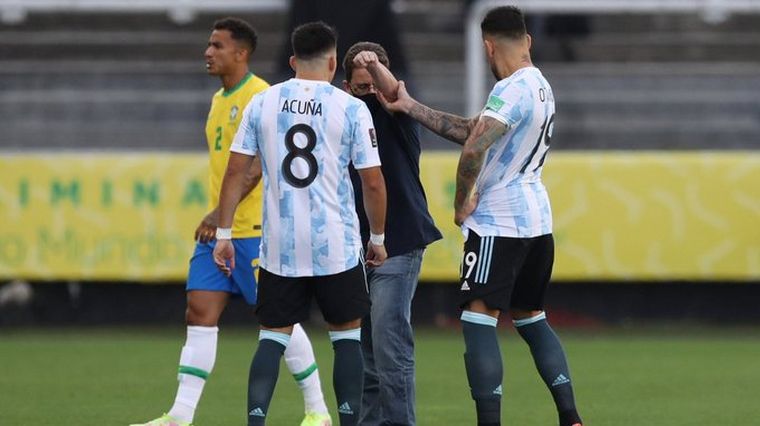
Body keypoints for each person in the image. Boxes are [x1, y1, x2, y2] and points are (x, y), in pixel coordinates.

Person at [380, 6, 583, 426]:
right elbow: (472, 130)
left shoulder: (509, 89)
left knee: (478, 319)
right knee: (532, 318)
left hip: (499, 221)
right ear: (526, 41)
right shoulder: (540, 85)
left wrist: (462, 201)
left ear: (487, 47)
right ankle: (571, 417)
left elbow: (474, 147)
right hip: (536, 222)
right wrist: (411, 106)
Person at [131, 17, 331, 426]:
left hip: (256, 231)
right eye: (209, 44)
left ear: (241, 53)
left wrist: (218, 214)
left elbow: (258, 167)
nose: (208, 52)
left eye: (217, 46)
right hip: (219, 234)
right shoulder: (219, 100)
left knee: (279, 320)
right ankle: (180, 416)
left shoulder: (261, 96)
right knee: (199, 313)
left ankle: (318, 410)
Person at [212, 21, 388, 426]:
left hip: (280, 246)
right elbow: (373, 182)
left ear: (292, 61)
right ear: (332, 62)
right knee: (346, 340)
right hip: (336, 245)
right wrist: (376, 237)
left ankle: (256, 421)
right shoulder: (351, 107)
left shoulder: (263, 102)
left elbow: (235, 173)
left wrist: (224, 234)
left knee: (272, 339)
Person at [341, 42, 442, 426]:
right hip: (358, 243)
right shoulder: (346, 118)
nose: (372, 93)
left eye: (376, 84)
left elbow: (394, 91)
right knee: (367, 350)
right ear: (348, 87)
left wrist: (375, 68)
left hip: (398, 240)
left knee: (389, 342)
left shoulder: (397, 115)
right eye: (362, 87)